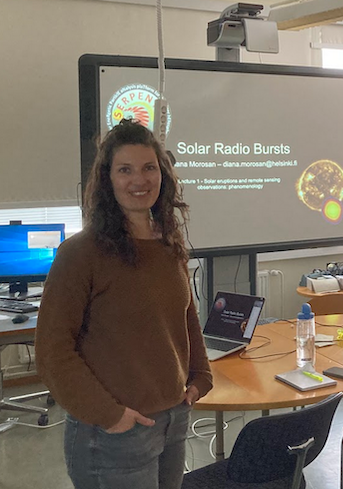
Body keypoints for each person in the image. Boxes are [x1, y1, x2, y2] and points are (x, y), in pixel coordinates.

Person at [36, 119, 212, 489]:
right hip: (112, 435)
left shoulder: (168, 243)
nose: (139, 180)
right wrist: (110, 415)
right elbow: (53, 351)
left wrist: (200, 376)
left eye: (149, 168)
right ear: (108, 179)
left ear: (162, 175)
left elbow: (185, 316)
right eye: (125, 170)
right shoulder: (81, 254)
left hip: (173, 420)